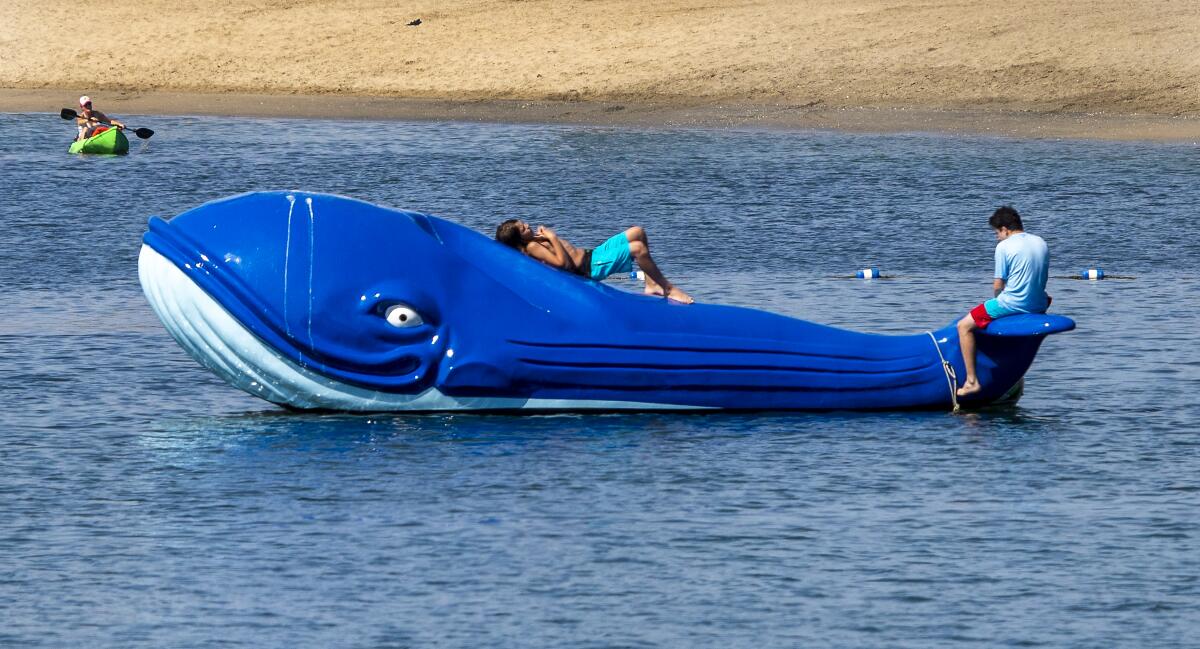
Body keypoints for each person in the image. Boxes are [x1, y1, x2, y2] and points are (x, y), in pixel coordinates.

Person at [956, 206, 1050, 397]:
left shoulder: (1004, 247)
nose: (997, 237)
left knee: (963, 326)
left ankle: (972, 381)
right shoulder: (1041, 242)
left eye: (997, 232)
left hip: (1013, 303)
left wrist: (997, 303)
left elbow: (998, 284)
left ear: (1005, 229)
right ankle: (1015, 371)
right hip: (1039, 303)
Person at [495, 219, 694, 304]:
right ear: (519, 240)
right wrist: (552, 237)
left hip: (593, 255)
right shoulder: (532, 247)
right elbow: (563, 264)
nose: (527, 225)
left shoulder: (534, 240)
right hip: (588, 268)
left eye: (523, 223)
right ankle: (668, 288)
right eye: (523, 229)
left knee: (637, 231)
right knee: (637, 248)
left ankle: (651, 284)